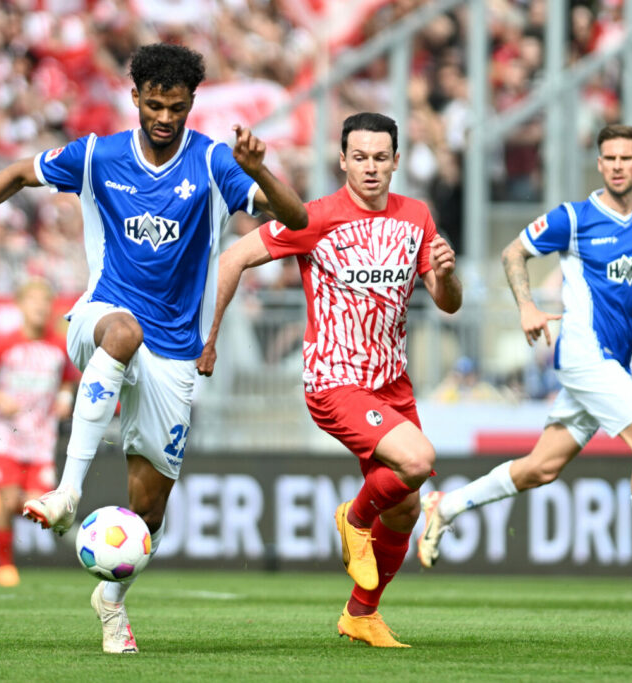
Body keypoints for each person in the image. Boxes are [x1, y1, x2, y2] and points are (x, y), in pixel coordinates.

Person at [0, 43, 307, 653]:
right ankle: (67, 491)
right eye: (154, 104)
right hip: (100, 318)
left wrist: (259, 170)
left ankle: (111, 604)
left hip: (174, 352)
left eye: (177, 107)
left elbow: (297, 219)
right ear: (134, 97)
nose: (164, 117)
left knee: (150, 512)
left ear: (192, 104)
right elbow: (14, 174)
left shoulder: (215, 163)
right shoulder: (97, 156)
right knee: (123, 329)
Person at [198, 112, 462, 647]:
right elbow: (232, 259)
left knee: (406, 505)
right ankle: (354, 518)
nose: (371, 167)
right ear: (343, 160)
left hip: (392, 384)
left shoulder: (416, 216)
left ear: (396, 161)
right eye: (359, 157)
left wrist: (448, 274)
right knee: (418, 461)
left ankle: (361, 614)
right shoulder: (314, 217)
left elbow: (447, 303)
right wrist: (211, 336)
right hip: (335, 380)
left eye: (380, 157)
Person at [417, 124, 632, 601]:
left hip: (613, 362)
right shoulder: (574, 218)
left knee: (541, 467)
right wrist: (527, 306)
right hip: (584, 354)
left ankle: (446, 506)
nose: (617, 166)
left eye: (626, 158)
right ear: (599, 164)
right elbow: (513, 252)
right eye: (609, 158)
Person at [0, 278, 78, 587]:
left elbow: (68, 379)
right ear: (20, 306)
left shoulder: (59, 345)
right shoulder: (2, 342)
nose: (40, 307)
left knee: (38, 508)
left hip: (41, 438)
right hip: (4, 434)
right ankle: (4, 564)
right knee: (8, 500)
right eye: (34, 301)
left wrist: (64, 397)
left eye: (45, 302)